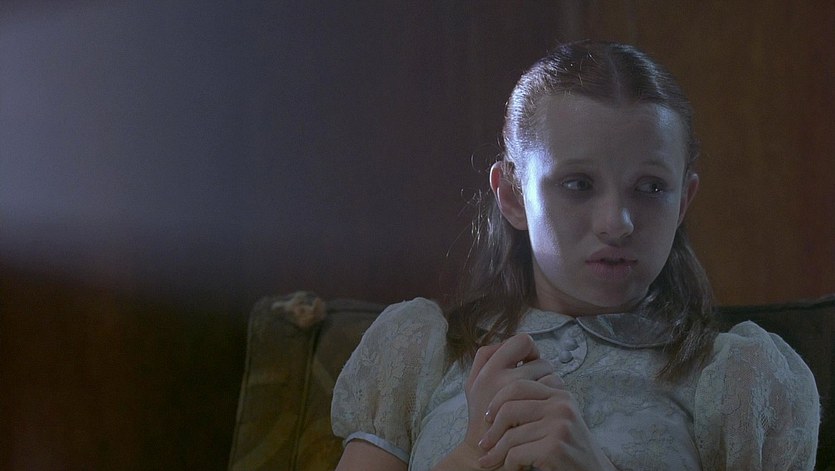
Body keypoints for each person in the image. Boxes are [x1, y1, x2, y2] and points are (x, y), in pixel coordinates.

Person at [330, 40, 820, 470]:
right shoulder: (421, 355)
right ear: (513, 196)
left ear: (683, 201)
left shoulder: (738, 380)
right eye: (578, 184)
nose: (617, 223)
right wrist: (475, 456)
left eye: (651, 187)